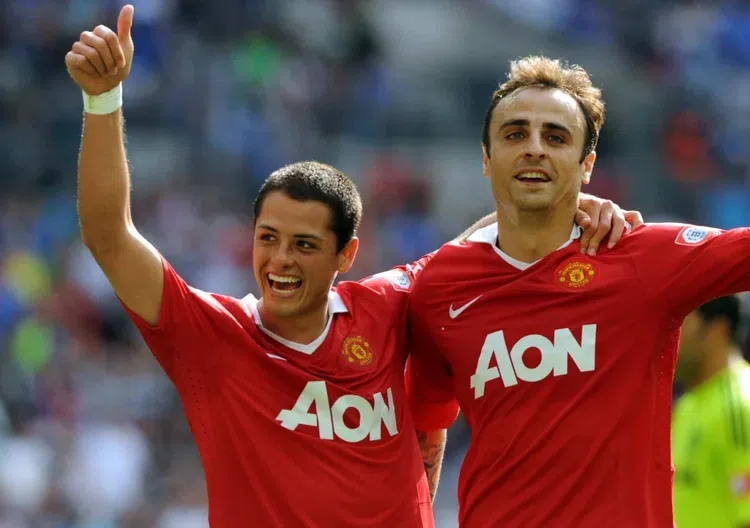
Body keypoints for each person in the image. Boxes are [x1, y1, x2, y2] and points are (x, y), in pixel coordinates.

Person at [63, 8, 637, 526]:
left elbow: (477, 244)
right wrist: (103, 100)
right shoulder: (214, 337)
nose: (281, 260)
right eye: (268, 239)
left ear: (346, 255)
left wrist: (571, 204)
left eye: (305, 245)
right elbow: (108, 236)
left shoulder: (387, 307)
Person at [406, 54, 750, 528]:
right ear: (486, 157)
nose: (534, 148)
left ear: (587, 165)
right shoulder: (440, 286)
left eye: (556, 137)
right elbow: (427, 420)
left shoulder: (643, 258)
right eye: (515, 134)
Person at [673, 294, 750, 528]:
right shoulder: (688, 405)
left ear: (718, 329)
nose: (671, 336)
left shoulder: (743, 410)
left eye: (682, 323)